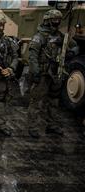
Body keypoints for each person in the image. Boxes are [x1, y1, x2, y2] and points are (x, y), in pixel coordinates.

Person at [27, 9, 78, 138]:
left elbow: (74, 46)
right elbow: (32, 56)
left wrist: (70, 52)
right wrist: (36, 72)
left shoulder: (60, 36)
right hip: (43, 74)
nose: (57, 23)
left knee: (54, 102)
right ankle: (33, 127)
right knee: (36, 102)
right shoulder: (39, 37)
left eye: (58, 20)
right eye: (54, 20)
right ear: (47, 21)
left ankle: (52, 125)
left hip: (56, 73)